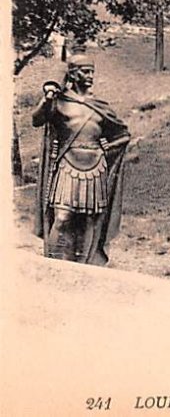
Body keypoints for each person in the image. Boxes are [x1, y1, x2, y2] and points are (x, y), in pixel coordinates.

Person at [32, 53, 130, 266]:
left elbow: (123, 134)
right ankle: (53, 264)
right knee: (63, 217)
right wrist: (47, 98)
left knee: (88, 220)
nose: (90, 76)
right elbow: (37, 120)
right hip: (68, 165)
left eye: (92, 72)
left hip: (96, 168)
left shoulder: (99, 106)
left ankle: (83, 265)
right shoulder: (60, 102)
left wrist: (108, 147)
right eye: (85, 71)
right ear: (73, 74)